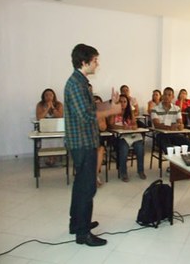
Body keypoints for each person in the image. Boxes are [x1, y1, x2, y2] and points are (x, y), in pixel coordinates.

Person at [65, 43, 120, 247]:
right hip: (82, 143)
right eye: (95, 60)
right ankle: (83, 233)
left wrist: (108, 104)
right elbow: (87, 115)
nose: (97, 64)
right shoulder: (76, 84)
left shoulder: (81, 82)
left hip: (85, 141)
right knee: (87, 188)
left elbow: (91, 107)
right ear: (84, 61)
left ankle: (77, 223)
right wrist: (112, 111)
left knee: (81, 186)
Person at [108, 94, 147, 182]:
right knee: (124, 149)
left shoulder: (130, 112)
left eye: (124, 102)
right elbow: (110, 126)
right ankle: (123, 172)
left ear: (127, 103)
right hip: (120, 137)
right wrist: (121, 128)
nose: (122, 103)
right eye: (120, 102)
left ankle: (140, 171)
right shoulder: (114, 112)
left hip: (132, 135)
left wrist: (134, 126)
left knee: (140, 148)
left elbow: (135, 124)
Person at [151, 87, 190, 153]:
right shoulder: (155, 109)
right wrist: (170, 127)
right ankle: (173, 161)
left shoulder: (177, 109)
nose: (166, 97)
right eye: (165, 94)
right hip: (161, 135)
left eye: (169, 95)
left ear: (173, 97)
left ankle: (178, 161)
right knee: (169, 149)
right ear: (162, 96)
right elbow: (157, 125)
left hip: (174, 134)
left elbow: (180, 122)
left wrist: (180, 126)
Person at [93, 95, 108, 187]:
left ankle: (95, 175)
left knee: (101, 149)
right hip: (85, 138)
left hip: (97, 136)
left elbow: (103, 128)